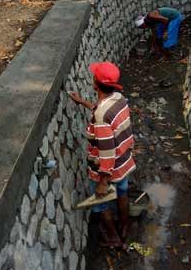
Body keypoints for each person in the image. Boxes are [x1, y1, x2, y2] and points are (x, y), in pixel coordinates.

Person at [68, 61, 135, 250]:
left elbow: (106, 151)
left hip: (106, 170)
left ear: (95, 83)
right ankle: (124, 227)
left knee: (100, 203)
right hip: (124, 162)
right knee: (122, 192)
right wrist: (82, 102)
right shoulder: (119, 99)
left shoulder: (101, 118)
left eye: (94, 76)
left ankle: (114, 238)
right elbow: (104, 113)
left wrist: (103, 182)